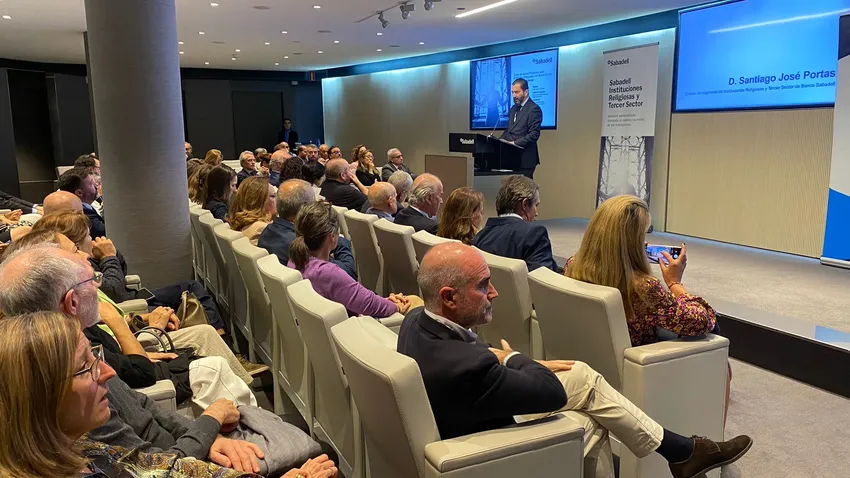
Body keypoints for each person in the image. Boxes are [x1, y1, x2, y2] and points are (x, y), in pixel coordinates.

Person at [398, 243, 752, 478]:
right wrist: (516, 358)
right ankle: (682, 451)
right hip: (481, 447)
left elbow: (472, 357)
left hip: (468, 412)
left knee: (582, 377)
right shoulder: (470, 367)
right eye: (482, 285)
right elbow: (550, 393)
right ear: (449, 298)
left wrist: (505, 359)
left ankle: (683, 451)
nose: (494, 292)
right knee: (589, 417)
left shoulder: (416, 320)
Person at [0, 311, 339, 478]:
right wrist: (210, 423)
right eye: (85, 367)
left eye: (96, 357)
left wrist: (210, 435)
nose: (107, 373)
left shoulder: (84, 448)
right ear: (40, 397)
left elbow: (162, 468)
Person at [0, 246, 257, 408]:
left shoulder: (50, 341)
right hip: (154, 388)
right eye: (92, 280)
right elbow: (141, 378)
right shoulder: (75, 353)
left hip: (150, 375)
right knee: (214, 366)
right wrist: (115, 321)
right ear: (72, 302)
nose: (98, 286)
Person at [565, 195, 731, 422]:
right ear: (632, 241)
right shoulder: (643, 287)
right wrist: (674, 283)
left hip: (591, 358)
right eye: (642, 235)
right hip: (637, 363)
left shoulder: (574, 265)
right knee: (717, 345)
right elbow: (703, 321)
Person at [289, 201, 418, 318]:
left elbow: (364, 299)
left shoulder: (295, 260)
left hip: (330, 328)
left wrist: (385, 301)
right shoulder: (327, 273)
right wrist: (397, 306)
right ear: (332, 237)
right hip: (350, 329)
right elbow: (369, 304)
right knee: (414, 302)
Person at [259, 179, 357, 281]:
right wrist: (337, 238)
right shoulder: (302, 245)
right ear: (305, 209)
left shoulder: (266, 232)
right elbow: (348, 273)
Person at [473, 174, 557, 272]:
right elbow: (541, 278)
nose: (537, 213)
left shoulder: (480, 237)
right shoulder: (534, 234)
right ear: (525, 204)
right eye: (536, 205)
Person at [500, 78, 542, 179]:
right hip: (512, 159)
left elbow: (534, 134)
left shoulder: (534, 109)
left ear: (526, 92)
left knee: (524, 188)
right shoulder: (513, 109)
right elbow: (509, 131)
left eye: (517, 92)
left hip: (525, 159)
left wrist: (514, 143)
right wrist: (499, 141)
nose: (514, 95)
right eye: (512, 92)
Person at [57, 167, 105, 238]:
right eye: (91, 183)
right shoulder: (82, 212)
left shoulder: (84, 207)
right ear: (79, 193)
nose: (96, 186)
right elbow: (105, 231)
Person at [227, 176, 275, 246]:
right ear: (258, 201)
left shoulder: (242, 222)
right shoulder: (261, 229)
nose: (276, 200)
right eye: (273, 196)